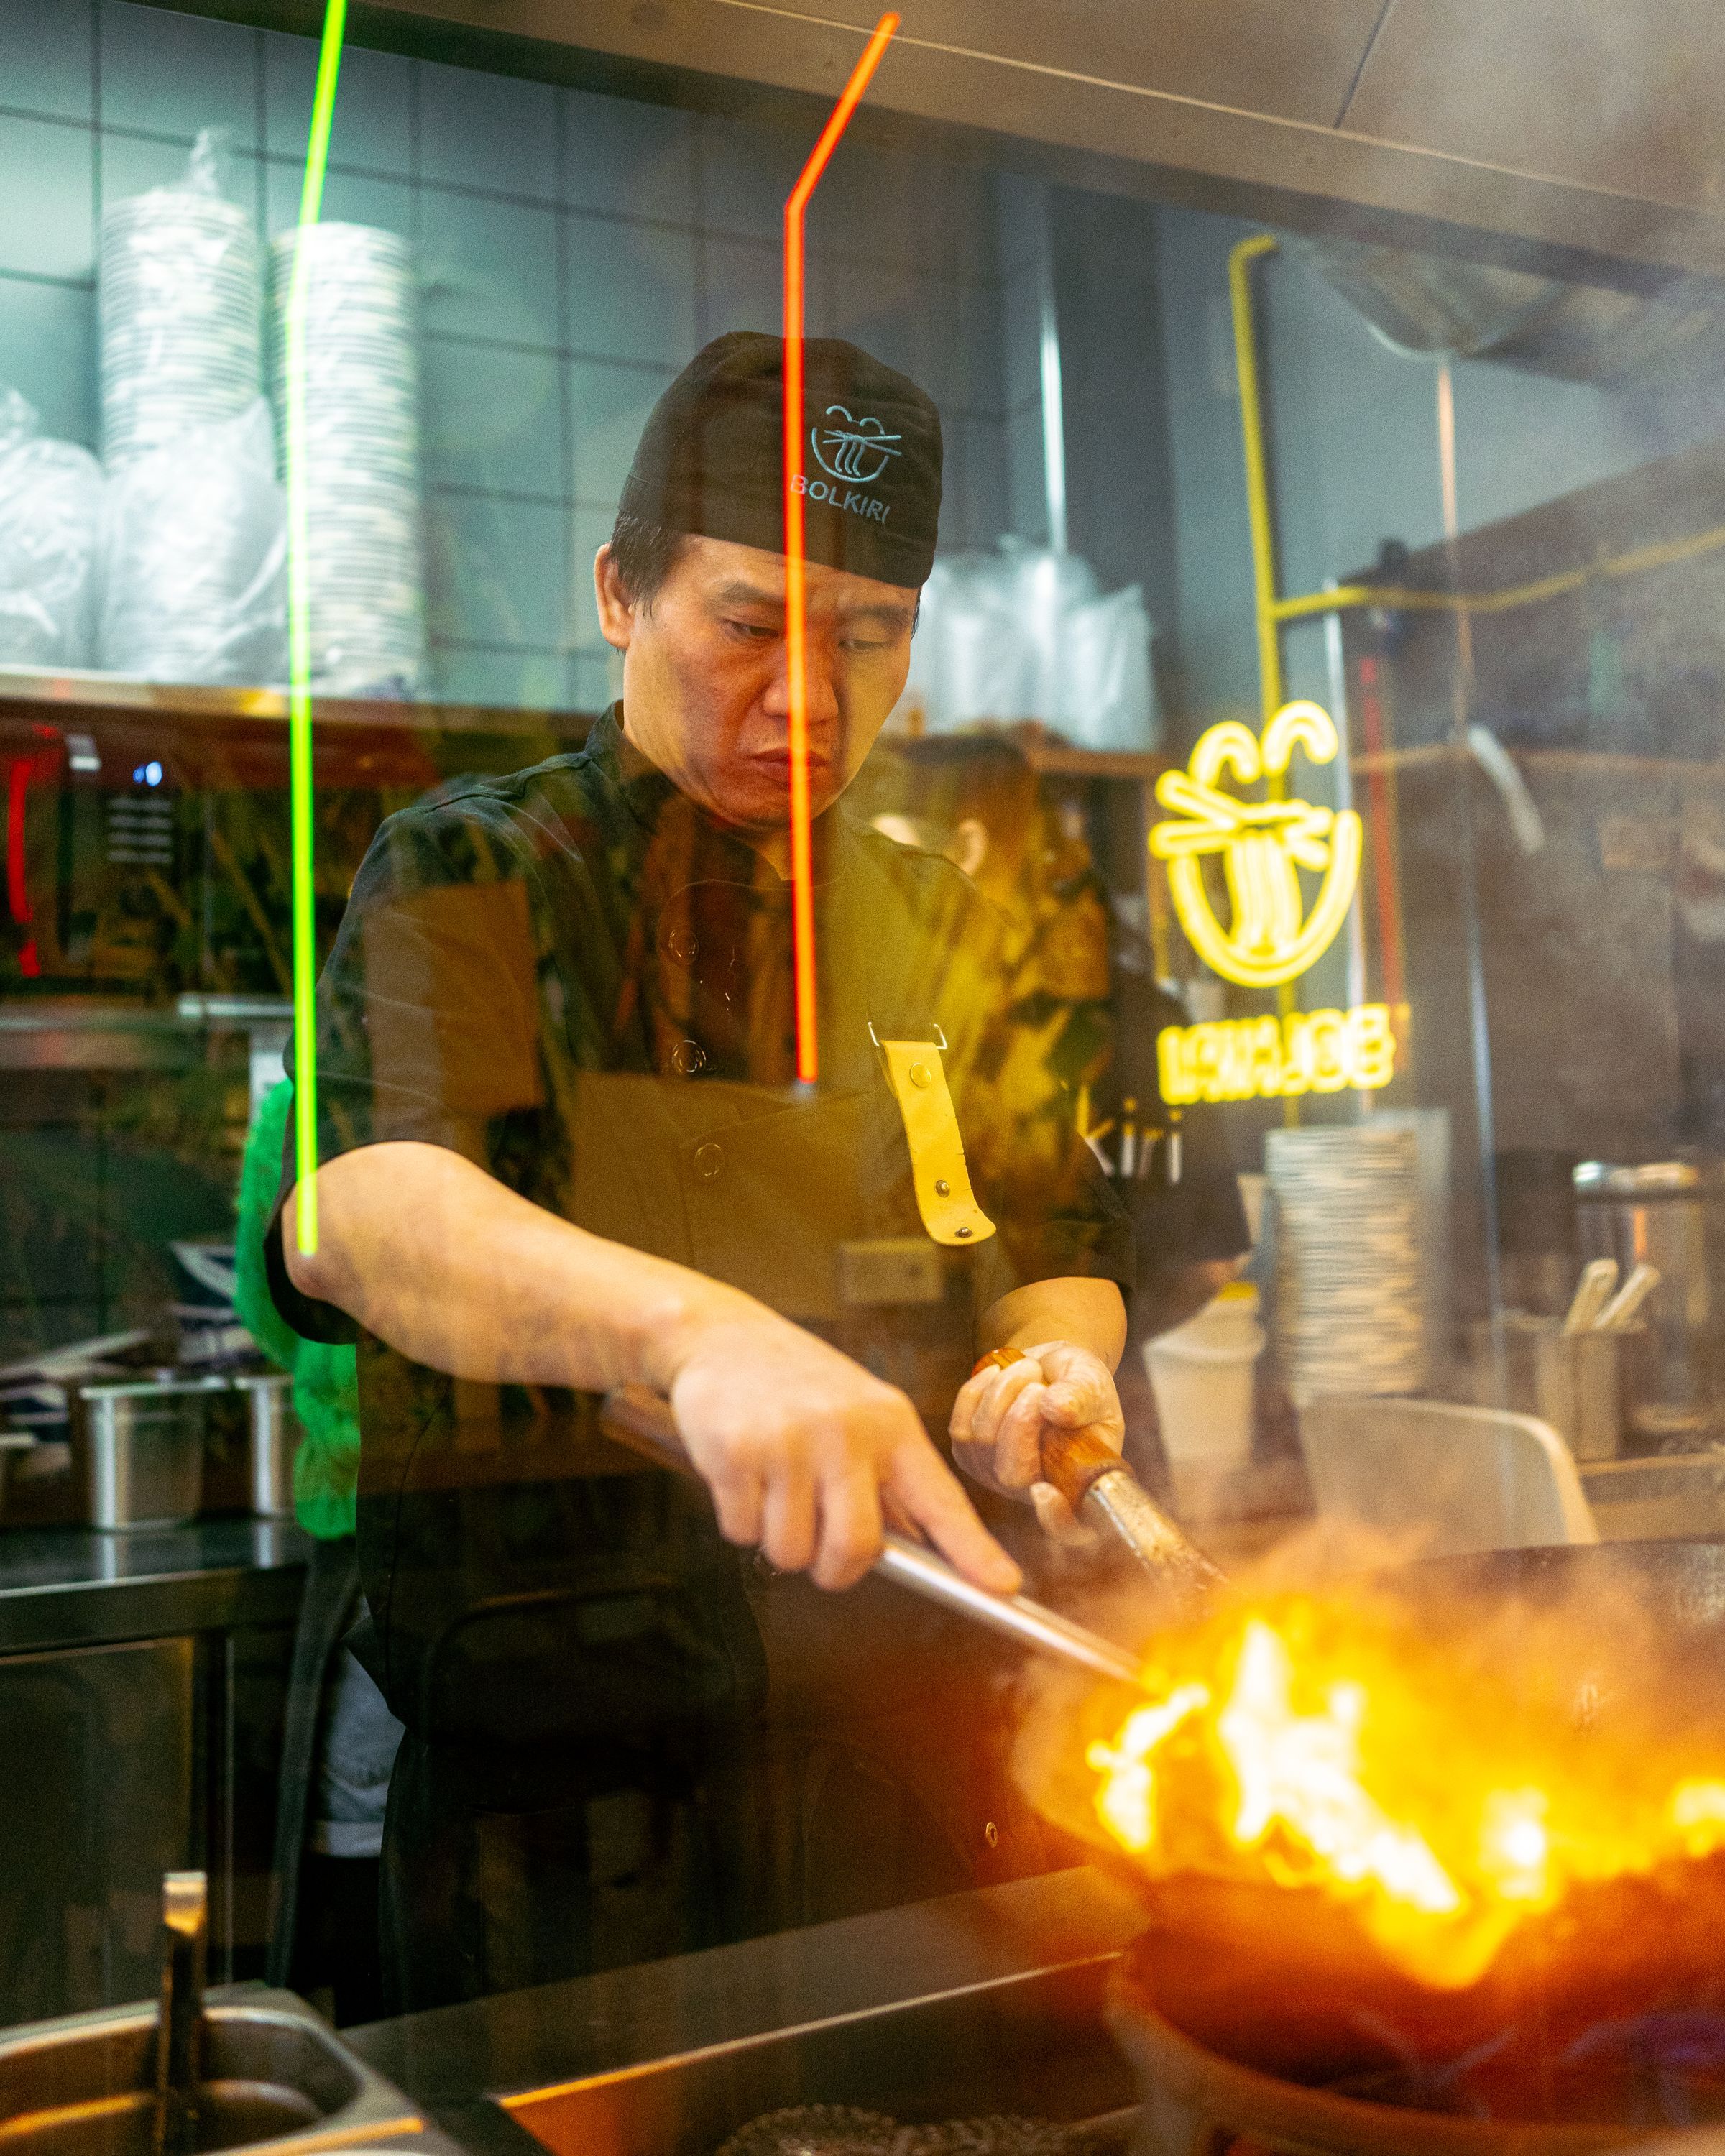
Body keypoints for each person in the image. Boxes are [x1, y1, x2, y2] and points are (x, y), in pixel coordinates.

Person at [263, 332, 1134, 2010]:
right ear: (617, 593)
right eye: (748, 623)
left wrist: (1052, 1355)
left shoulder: (944, 921)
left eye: (868, 634)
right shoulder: (475, 863)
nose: (807, 695)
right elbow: (374, 1212)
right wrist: (700, 1338)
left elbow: (1049, 1219)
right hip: (575, 1814)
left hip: (899, 1784)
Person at [859, 737, 1250, 1483]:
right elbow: (1209, 1260)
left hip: (1046, 1436)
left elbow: (1208, 1262)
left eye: (890, 842)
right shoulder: (1143, 1010)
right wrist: (1089, 1361)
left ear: (965, 849)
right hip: (1092, 1416)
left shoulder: (967, 1027)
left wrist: (1059, 1358)